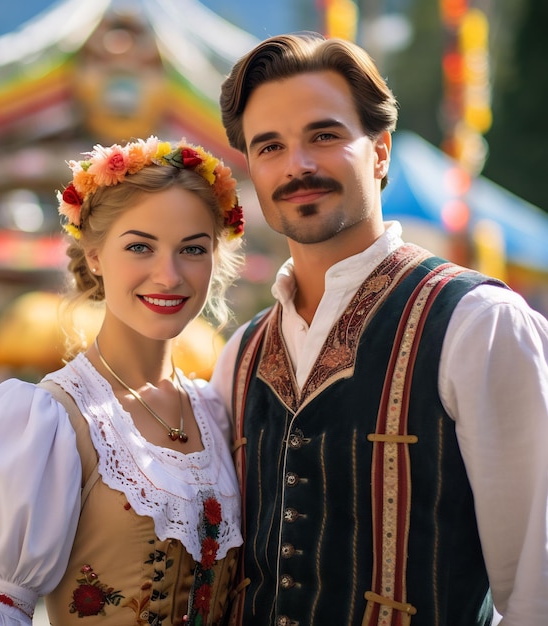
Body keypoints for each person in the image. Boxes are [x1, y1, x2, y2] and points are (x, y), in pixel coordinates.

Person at [210, 31, 548, 626]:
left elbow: (535, 587)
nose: (298, 165)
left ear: (381, 150)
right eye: (270, 147)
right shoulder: (239, 355)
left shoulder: (478, 325)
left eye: (324, 134)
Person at [0, 136, 246, 626]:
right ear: (95, 255)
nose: (168, 275)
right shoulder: (51, 420)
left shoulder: (218, 408)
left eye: (192, 249)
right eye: (140, 246)